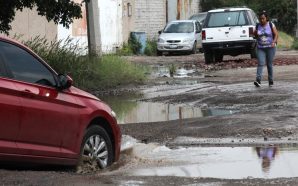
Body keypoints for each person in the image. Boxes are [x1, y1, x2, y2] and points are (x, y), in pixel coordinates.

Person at [254, 11, 278, 87]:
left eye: (263, 18)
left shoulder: (271, 24)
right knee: (261, 63)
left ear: (266, 18)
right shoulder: (257, 26)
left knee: (269, 64)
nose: (261, 20)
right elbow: (255, 36)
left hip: (270, 48)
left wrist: (274, 42)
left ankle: (270, 81)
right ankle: (258, 80)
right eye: (260, 19)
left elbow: (276, 34)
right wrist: (255, 33)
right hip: (261, 48)